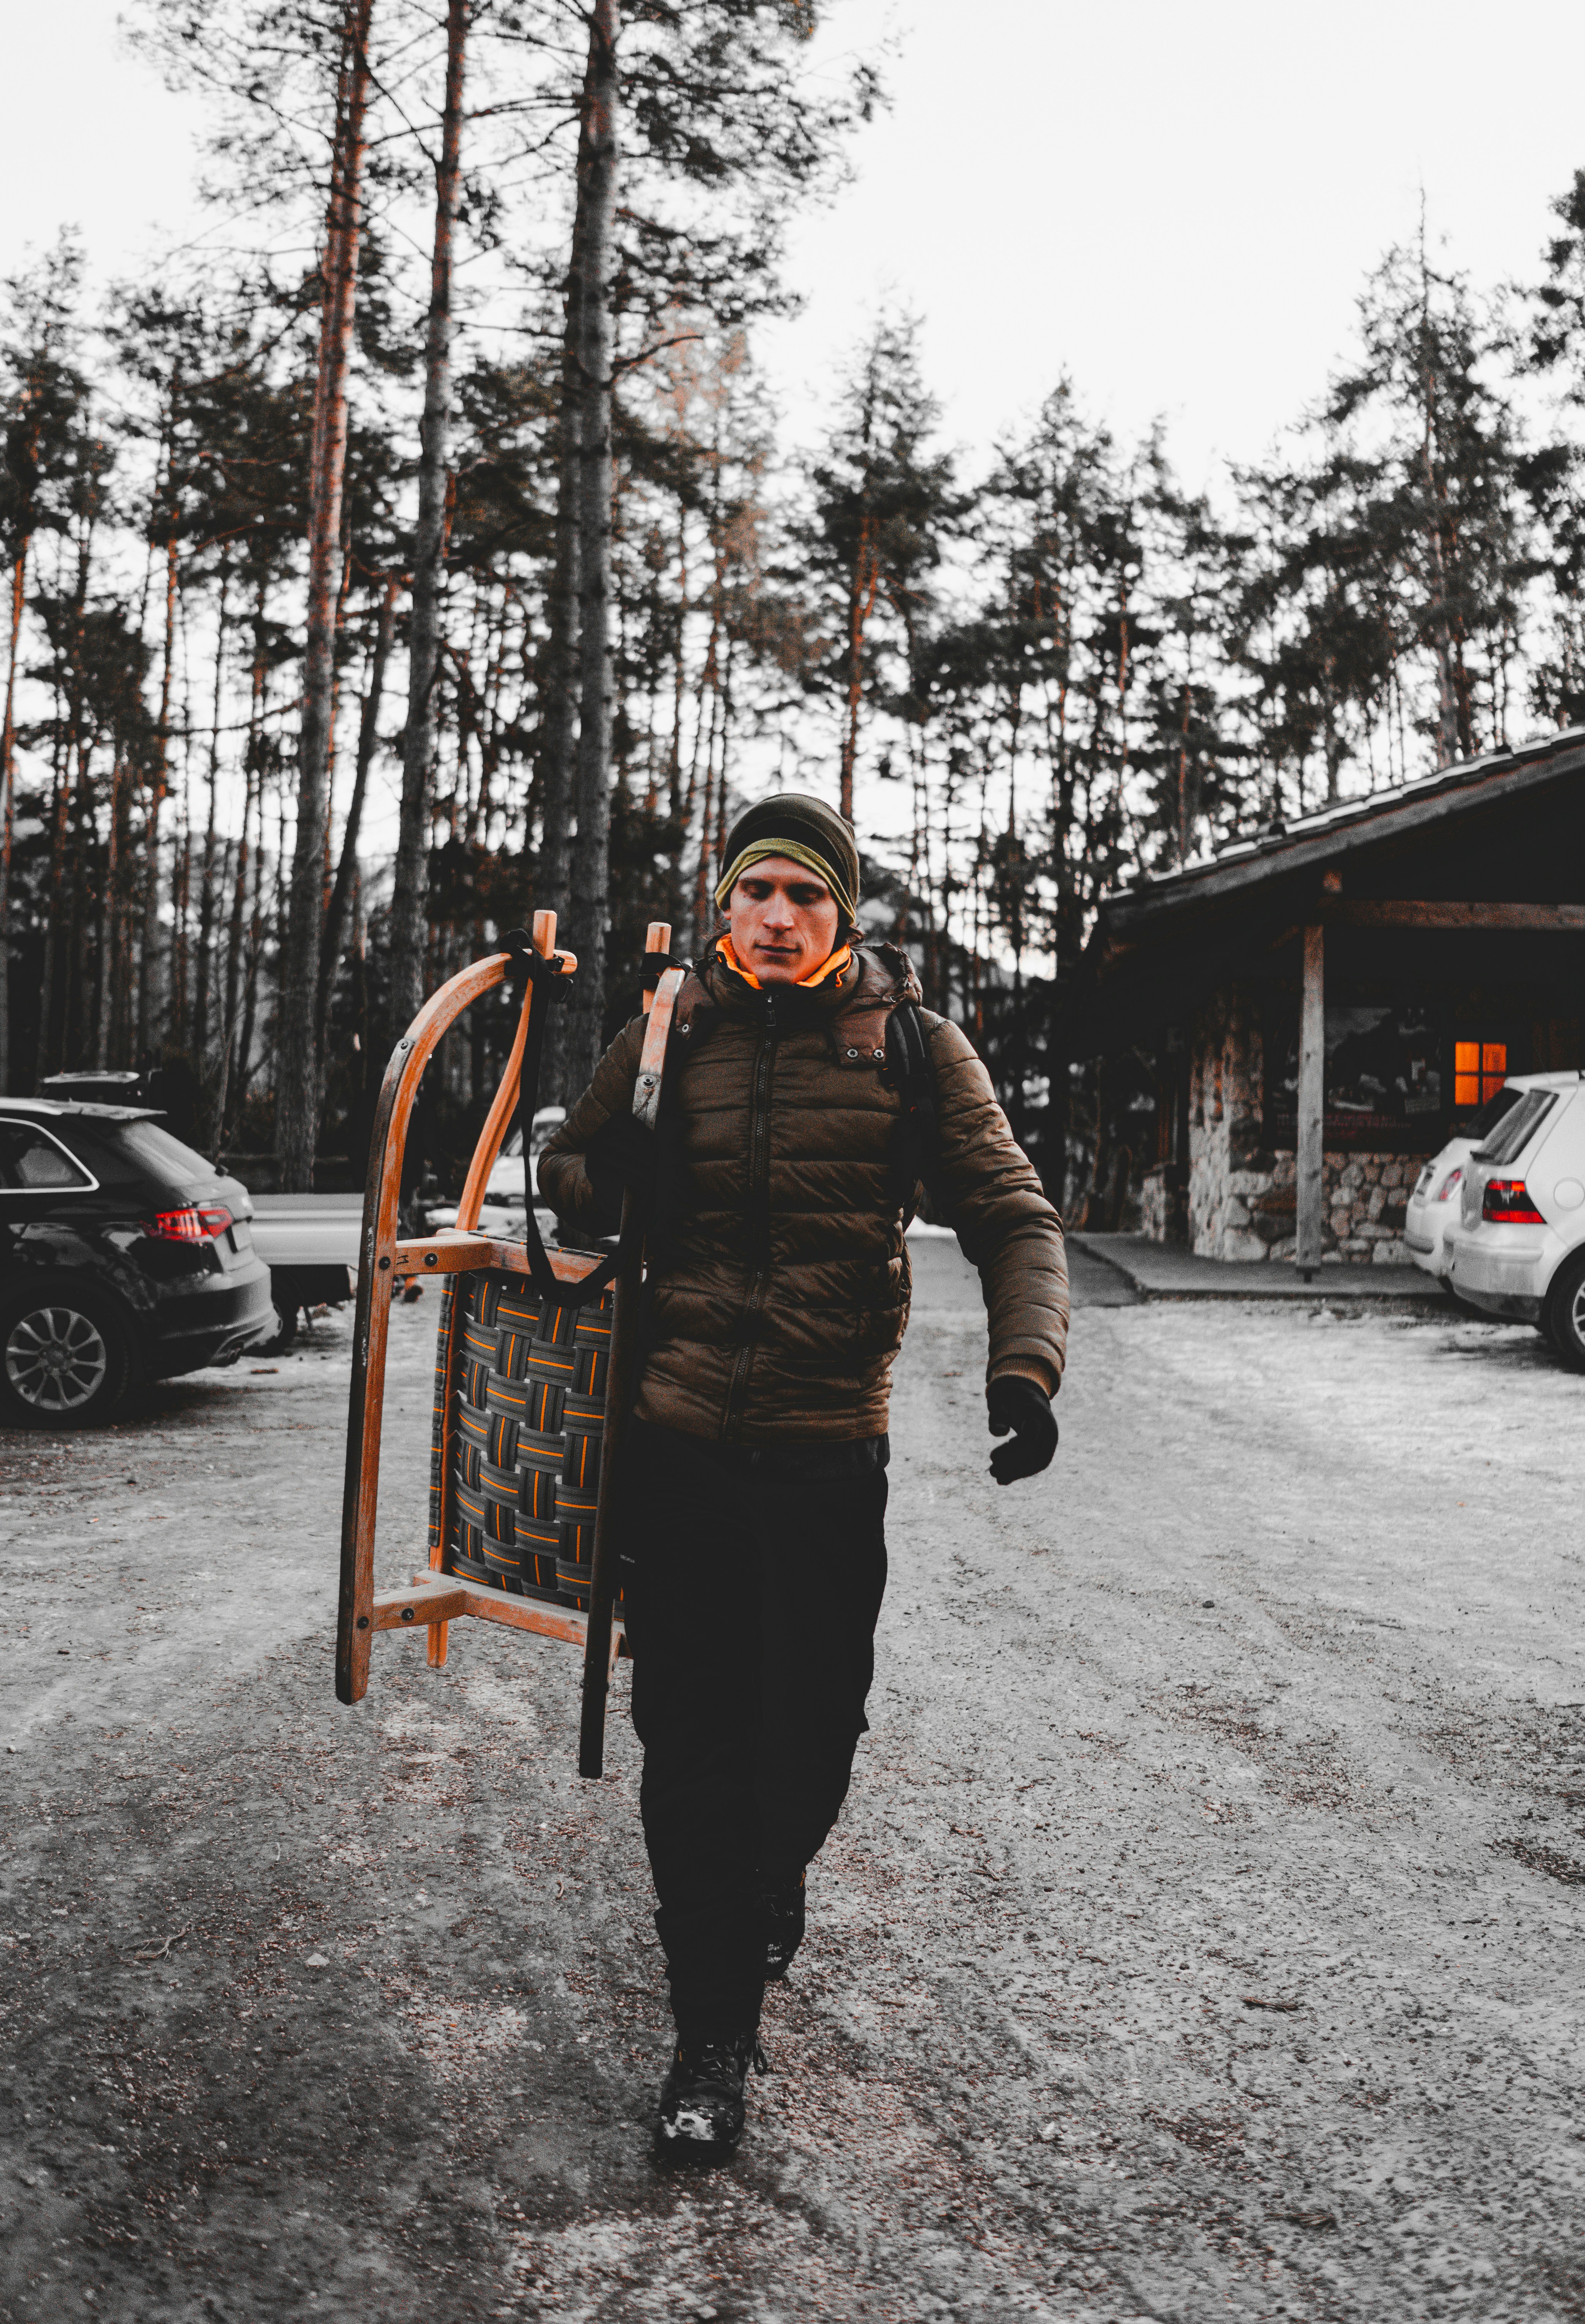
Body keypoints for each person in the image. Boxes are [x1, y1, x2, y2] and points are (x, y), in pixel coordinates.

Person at [538, 793, 1069, 2163]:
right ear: (726, 906)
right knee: (693, 1748)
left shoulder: (911, 1049)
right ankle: (710, 2035)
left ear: (844, 916)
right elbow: (570, 1166)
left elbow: (1013, 1213)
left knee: (813, 1738)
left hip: (832, 1454)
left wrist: (1028, 1366)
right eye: (757, 892)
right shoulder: (670, 1032)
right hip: (680, 1451)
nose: (778, 917)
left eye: (807, 897)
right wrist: (612, 1176)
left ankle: (773, 1876)